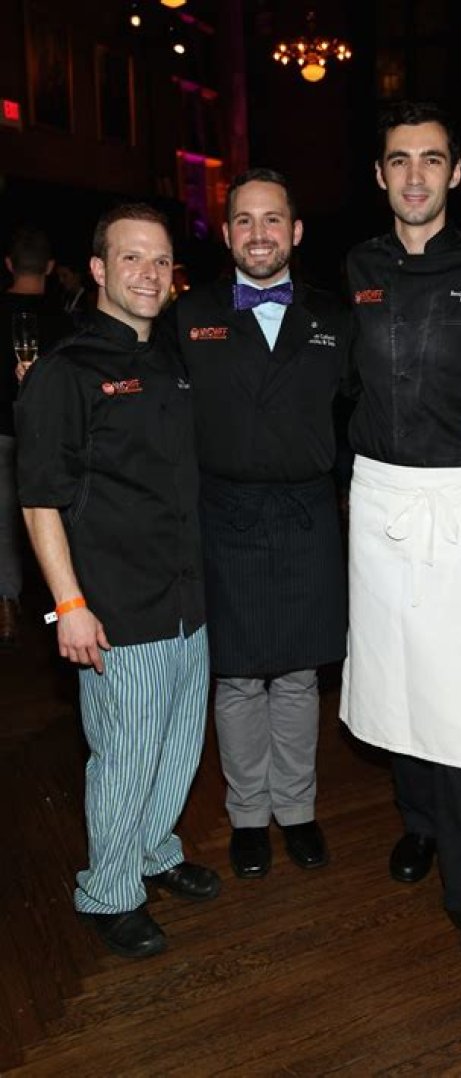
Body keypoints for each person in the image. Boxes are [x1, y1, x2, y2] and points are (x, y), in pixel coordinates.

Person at [339, 101, 461, 980]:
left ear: (456, 173)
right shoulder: (358, 265)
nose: (415, 176)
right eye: (400, 160)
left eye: (432, 160)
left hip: (459, 500)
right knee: (391, 674)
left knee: (460, 698)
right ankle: (419, 821)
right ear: (380, 175)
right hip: (375, 497)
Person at [16, 204, 220, 960]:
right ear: (98, 269)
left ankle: (153, 850)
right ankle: (108, 889)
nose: (148, 273)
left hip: (186, 599)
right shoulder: (64, 372)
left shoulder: (170, 360)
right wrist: (68, 605)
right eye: (131, 257)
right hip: (116, 607)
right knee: (126, 755)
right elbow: (39, 500)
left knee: (178, 747)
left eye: (161, 260)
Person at [169, 169, 350, 880]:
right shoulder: (190, 314)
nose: (259, 233)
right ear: (226, 233)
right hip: (224, 515)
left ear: (295, 231)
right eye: (244, 220)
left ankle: (297, 810)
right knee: (239, 678)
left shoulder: (335, 316)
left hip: (308, 517)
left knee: (299, 675)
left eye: (272, 219)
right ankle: (248, 814)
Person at [0, 227, 71, 647]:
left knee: (4, 524)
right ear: (49, 267)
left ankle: (7, 607)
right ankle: (59, 605)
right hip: (51, 436)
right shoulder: (64, 320)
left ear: (9, 264)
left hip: (3, 432)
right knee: (55, 521)